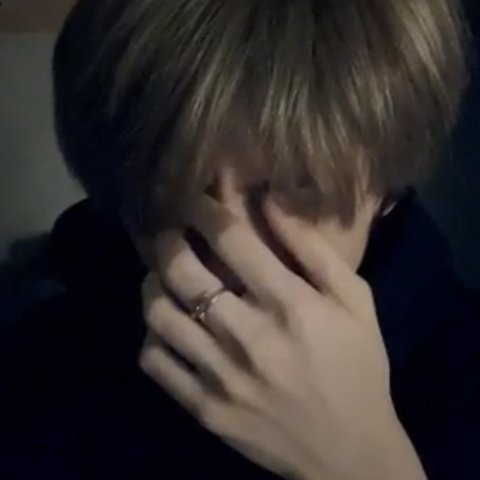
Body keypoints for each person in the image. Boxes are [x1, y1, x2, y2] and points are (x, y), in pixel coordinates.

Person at [0, 0, 479, 478]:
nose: (226, 251)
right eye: (169, 189)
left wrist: (368, 463)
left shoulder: (462, 379)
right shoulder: (32, 376)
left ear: (386, 193)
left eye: (298, 187)